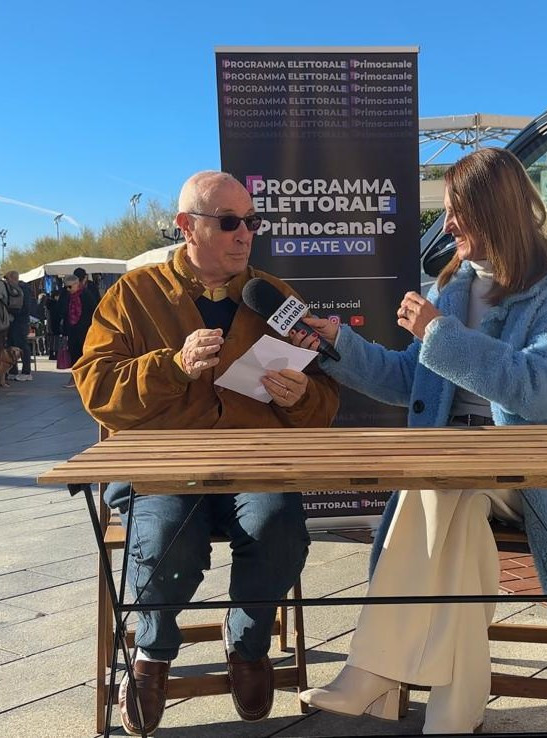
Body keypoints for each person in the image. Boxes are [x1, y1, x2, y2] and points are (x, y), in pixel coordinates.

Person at [296, 148, 547, 734]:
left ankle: (373, 669)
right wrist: (337, 343)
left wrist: (440, 334)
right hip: (456, 471)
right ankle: (452, 713)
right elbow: (406, 381)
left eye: (456, 213)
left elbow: (537, 391)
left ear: (496, 213)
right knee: (456, 510)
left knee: (437, 490)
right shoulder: (452, 290)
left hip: (529, 474)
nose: (446, 227)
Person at [72, 170, 340, 735]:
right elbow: (95, 389)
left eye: (252, 222)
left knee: (280, 528)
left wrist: (300, 396)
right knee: (168, 541)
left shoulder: (276, 298)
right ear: (186, 227)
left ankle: (246, 644)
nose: (245, 235)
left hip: (254, 464)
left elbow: (323, 406)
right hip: (166, 467)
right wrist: (170, 367)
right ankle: (153, 653)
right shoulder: (133, 295)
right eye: (229, 222)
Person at [59, 274, 96, 388]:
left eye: (70, 287)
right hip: (72, 329)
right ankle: (75, 378)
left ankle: (87, 378)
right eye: (66, 287)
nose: (68, 289)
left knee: (84, 354)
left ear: (77, 284)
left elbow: (94, 311)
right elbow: (63, 312)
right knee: (74, 354)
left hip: (85, 329)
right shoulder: (66, 296)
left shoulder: (86, 295)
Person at [4, 271, 35, 380]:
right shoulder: (15, 289)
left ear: (12, 278)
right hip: (15, 321)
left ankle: (26, 372)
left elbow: (25, 308)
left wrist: (11, 310)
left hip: (20, 321)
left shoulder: (22, 290)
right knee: (12, 344)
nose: (6, 281)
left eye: (7, 279)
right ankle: (14, 370)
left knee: (22, 345)